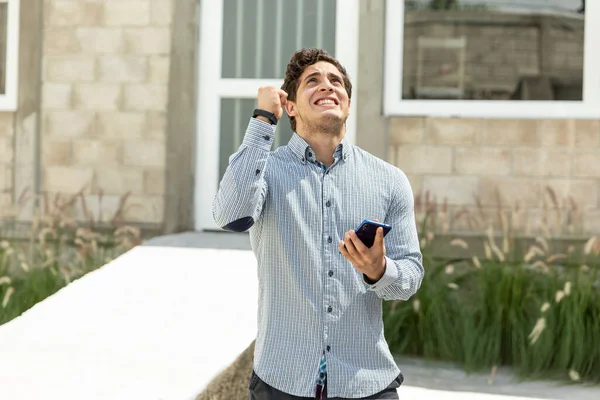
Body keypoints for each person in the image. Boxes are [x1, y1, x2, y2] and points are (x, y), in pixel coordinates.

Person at [213, 48, 424, 400]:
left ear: (348, 104)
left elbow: (410, 278)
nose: (327, 86)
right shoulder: (265, 171)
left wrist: (379, 270)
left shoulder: (389, 181)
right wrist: (263, 118)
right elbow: (230, 214)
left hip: (366, 382)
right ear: (291, 107)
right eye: (313, 81)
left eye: (336, 81)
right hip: (281, 381)